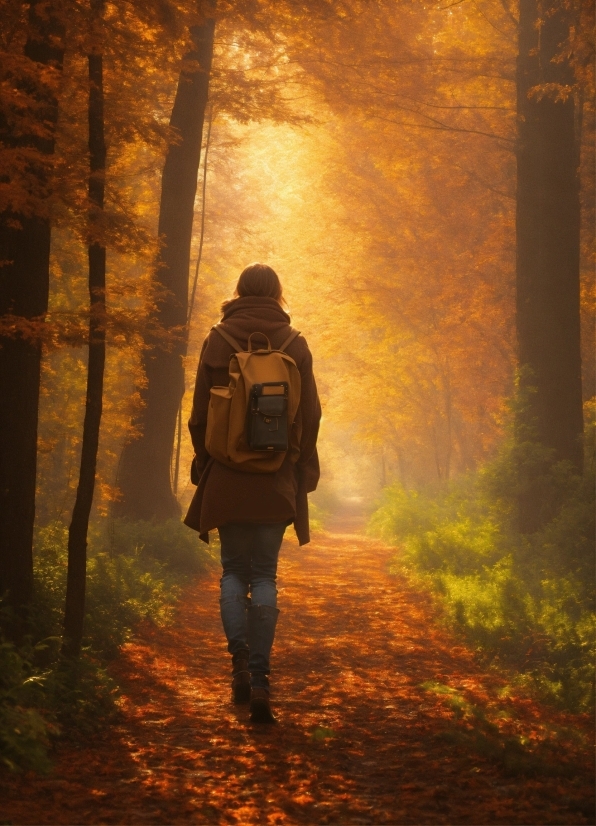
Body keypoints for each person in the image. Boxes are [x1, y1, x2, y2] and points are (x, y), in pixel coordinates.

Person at [184, 263, 321, 723]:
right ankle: (262, 679)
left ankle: (239, 662)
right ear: (277, 293)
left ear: (239, 291)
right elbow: (313, 413)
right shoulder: (294, 343)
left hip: (226, 474)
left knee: (232, 572)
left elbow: (200, 411)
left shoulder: (218, 339)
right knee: (264, 575)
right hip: (276, 476)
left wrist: (202, 463)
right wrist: (301, 466)